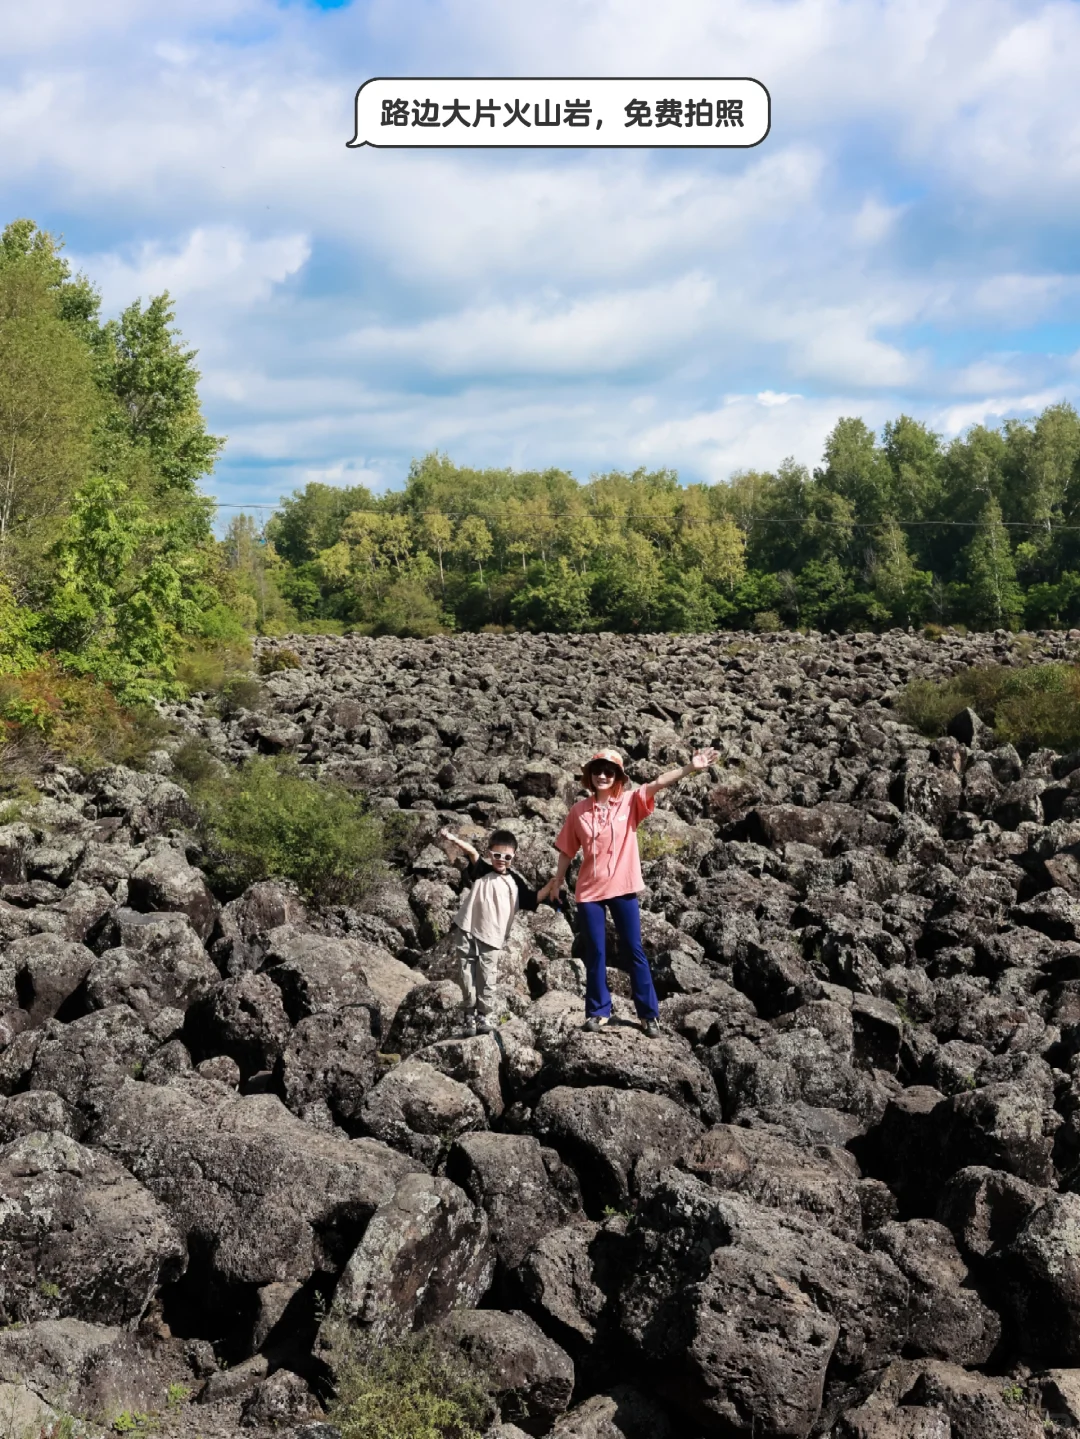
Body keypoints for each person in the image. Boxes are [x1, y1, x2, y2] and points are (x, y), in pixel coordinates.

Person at [537, 746, 719, 1037]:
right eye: (597, 770)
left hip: (622, 888)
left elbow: (658, 782)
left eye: (609, 771)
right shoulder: (578, 812)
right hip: (589, 892)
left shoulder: (630, 802)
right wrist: (557, 880)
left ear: (618, 776)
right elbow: (567, 850)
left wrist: (690, 767)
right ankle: (598, 1012)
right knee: (595, 952)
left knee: (634, 950)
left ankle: (649, 1015)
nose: (602, 775)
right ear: (590, 775)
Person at [438, 826, 538, 1036]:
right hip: (467, 927)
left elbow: (533, 898)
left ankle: (484, 1015)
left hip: (493, 936)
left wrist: (554, 884)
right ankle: (469, 1014)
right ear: (490, 853)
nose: (501, 859)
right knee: (466, 974)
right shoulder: (483, 869)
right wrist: (451, 837)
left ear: (514, 856)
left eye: (506, 856)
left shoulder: (515, 882)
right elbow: (471, 852)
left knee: (487, 976)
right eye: (496, 855)